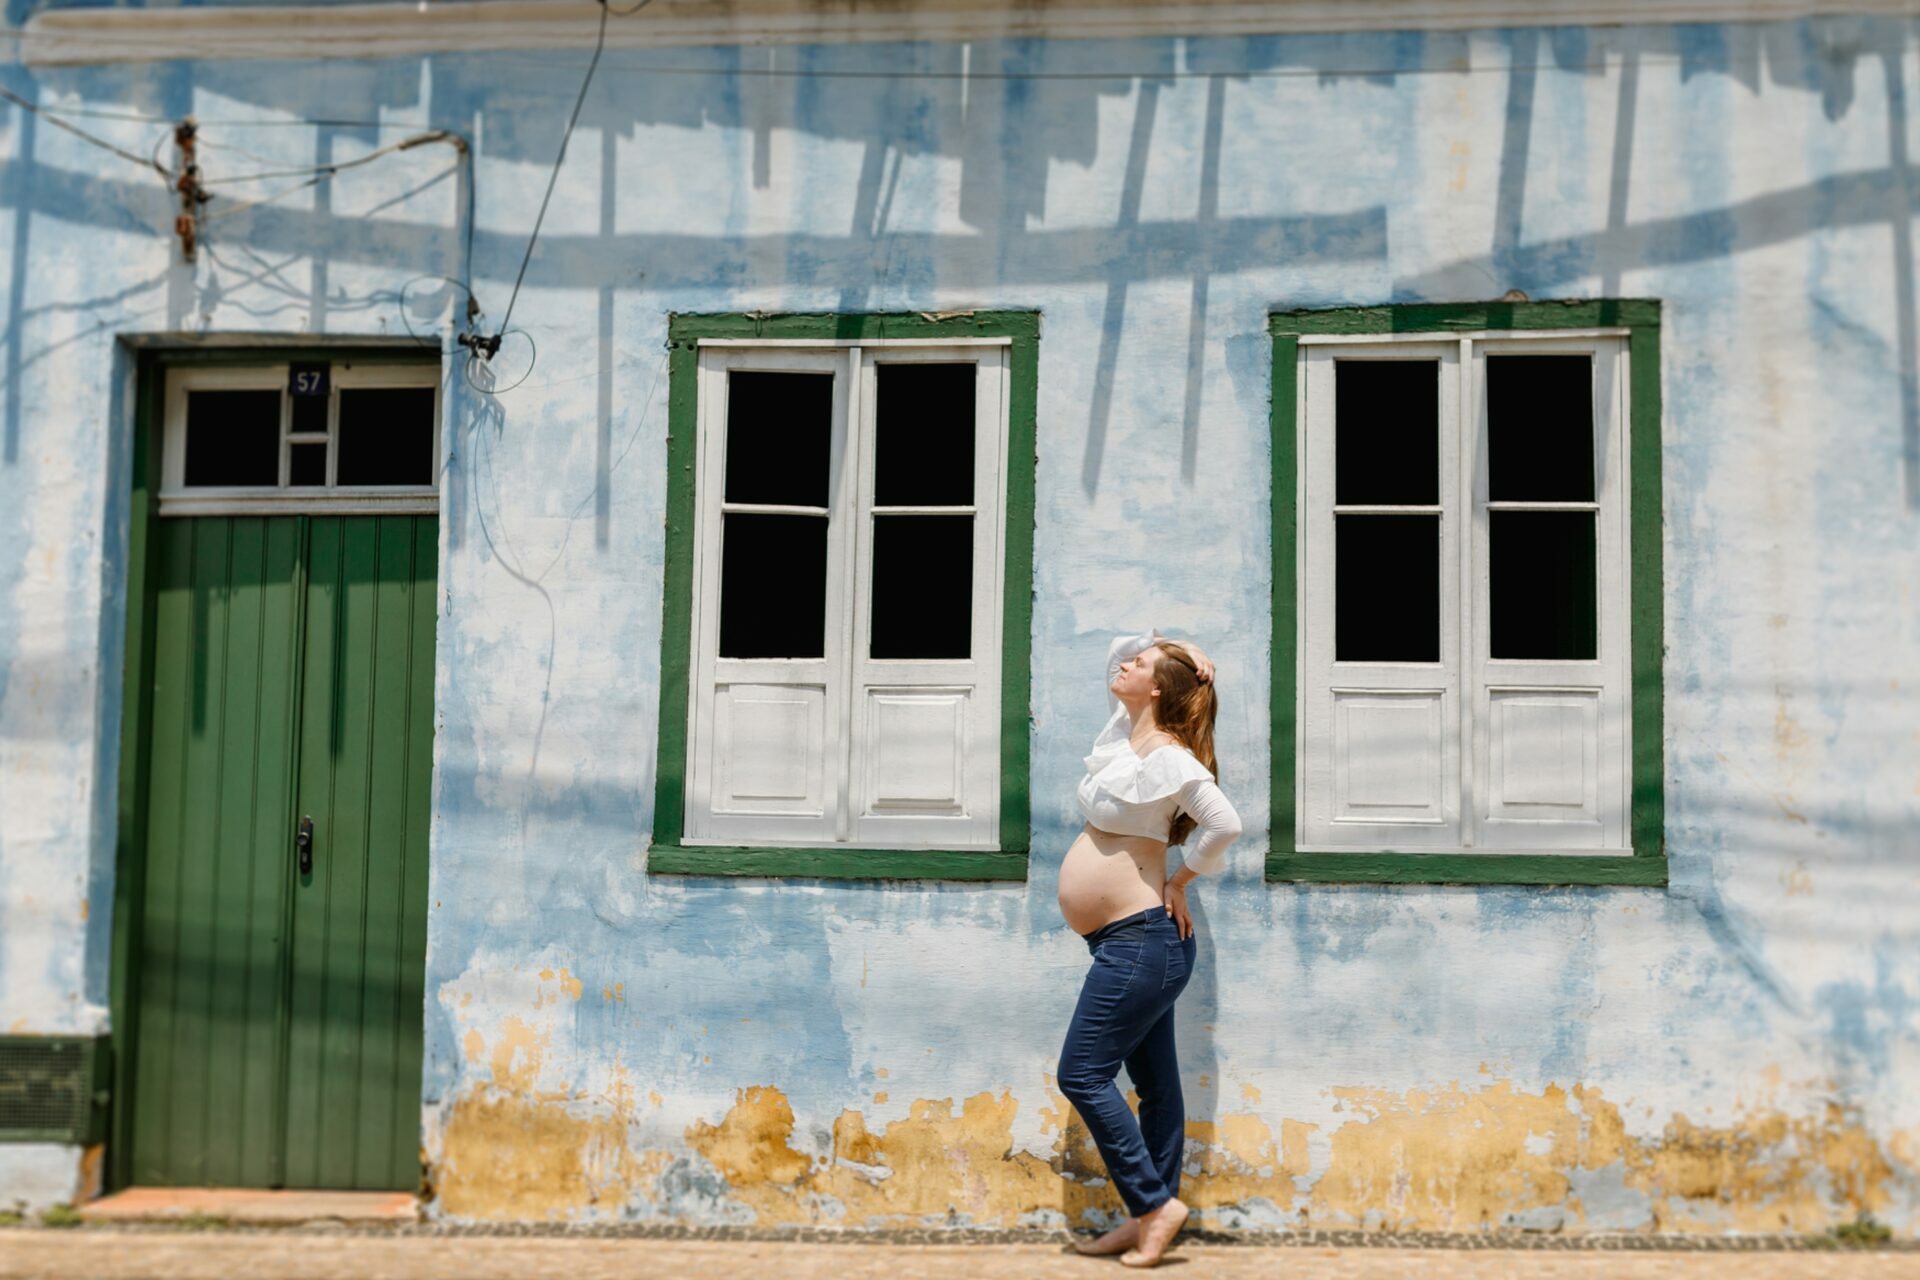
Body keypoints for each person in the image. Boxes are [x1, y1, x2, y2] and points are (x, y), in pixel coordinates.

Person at [1056, 628, 1242, 1268]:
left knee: (1081, 1074)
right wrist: (1177, 643)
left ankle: (1153, 1205)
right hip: (1132, 946)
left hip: (1141, 945)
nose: (1124, 667)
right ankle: (1148, 1219)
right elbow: (1119, 651)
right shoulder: (1125, 737)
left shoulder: (1169, 756)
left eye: (1140, 665)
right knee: (1156, 1088)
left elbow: (1224, 823)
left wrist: (1180, 881)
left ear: (1156, 688)